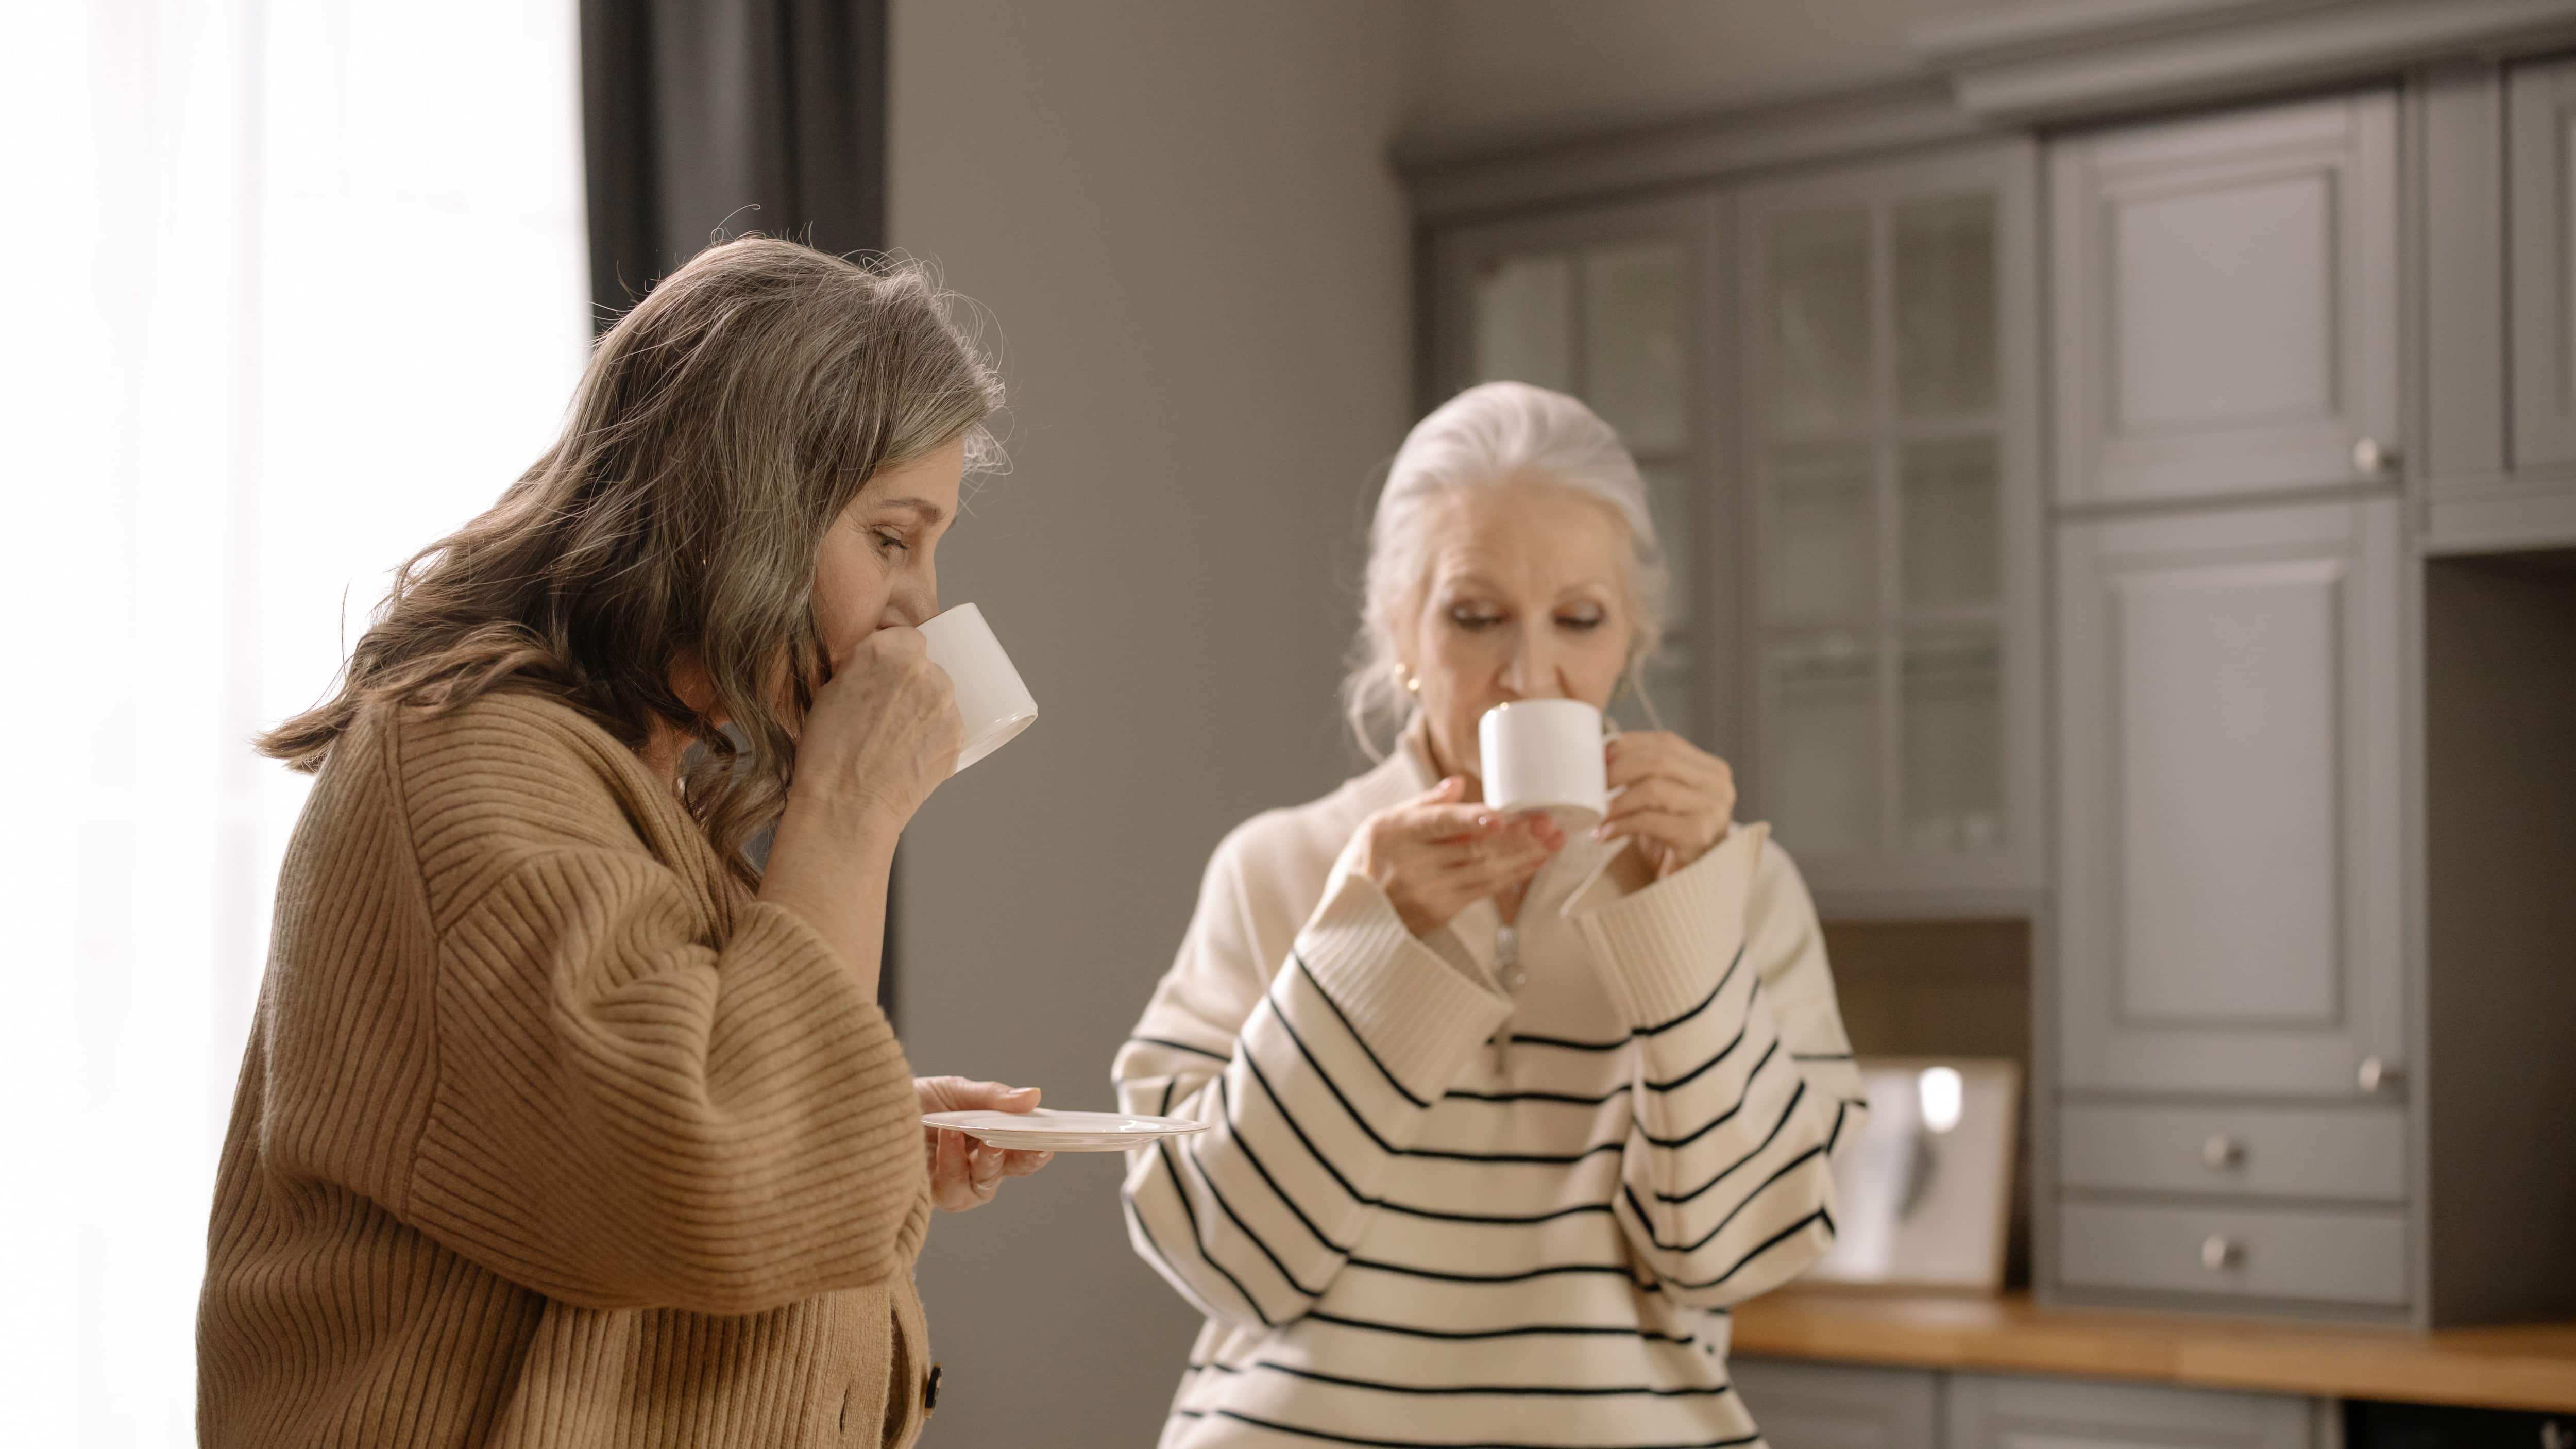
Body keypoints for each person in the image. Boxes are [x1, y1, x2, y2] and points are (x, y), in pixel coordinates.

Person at [198, 238, 1049, 1449]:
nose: (919, 604)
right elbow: (718, 1179)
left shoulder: (634, 783)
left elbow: (601, 1141)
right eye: (893, 538)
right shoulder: (468, 769)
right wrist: (851, 811)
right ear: (743, 505)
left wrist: (866, 1137)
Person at [1115, 381, 1868, 1447]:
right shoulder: (1275, 867)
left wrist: (1683, 924)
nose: (1528, 674)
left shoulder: (1734, 883)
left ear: (1632, 640)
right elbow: (1226, 1257)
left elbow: (1734, 1253)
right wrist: (1364, 952)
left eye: (1579, 618)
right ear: (1399, 630)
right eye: (1475, 617)